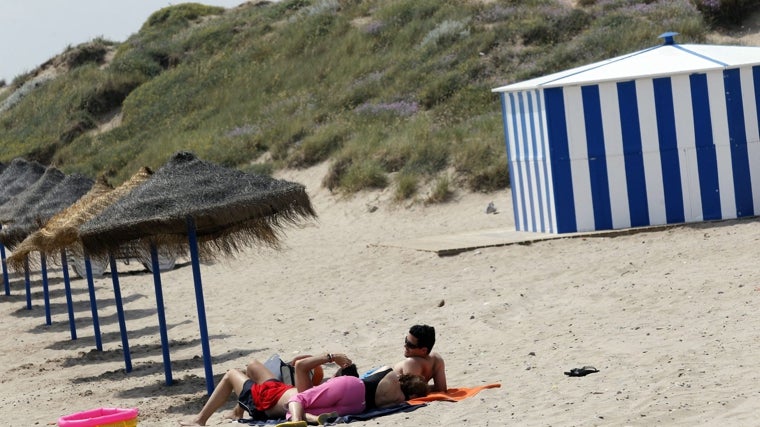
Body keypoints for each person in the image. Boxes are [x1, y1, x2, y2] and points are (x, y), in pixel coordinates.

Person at [179, 352, 427, 426]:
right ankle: (238, 411)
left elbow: (300, 366)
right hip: (281, 389)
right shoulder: (315, 388)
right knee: (253, 365)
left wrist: (330, 356)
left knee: (230, 375)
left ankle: (200, 420)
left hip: (274, 398)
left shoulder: (308, 388)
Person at [393, 324, 447, 392]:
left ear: (423, 350)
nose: (405, 345)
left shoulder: (412, 362)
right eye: (406, 340)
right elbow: (414, 393)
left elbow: (441, 389)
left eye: (410, 345)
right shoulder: (436, 360)